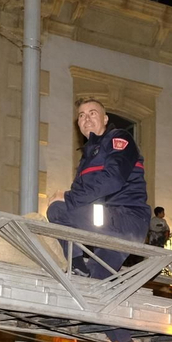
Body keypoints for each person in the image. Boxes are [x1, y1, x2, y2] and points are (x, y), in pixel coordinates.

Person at [45, 98, 150, 281]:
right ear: (78, 123)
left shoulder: (118, 138)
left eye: (92, 113)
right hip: (111, 228)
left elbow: (113, 179)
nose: (86, 118)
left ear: (105, 119)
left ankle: (75, 262)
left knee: (57, 209)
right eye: (81, 116)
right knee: (93, 284)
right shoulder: (86, 159)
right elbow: (84, 195)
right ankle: (81, 273)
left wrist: (67, 198)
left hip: (126, 218)